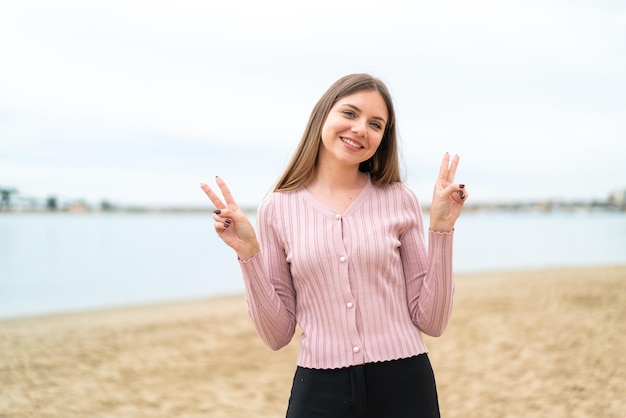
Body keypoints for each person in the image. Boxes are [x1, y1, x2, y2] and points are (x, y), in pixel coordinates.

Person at [200, 73, 468, 418]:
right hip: (318, 390)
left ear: (383, 139)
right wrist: (248, 254)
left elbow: (432, 320)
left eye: (376, 124)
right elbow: (276, 335)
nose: (360, 129)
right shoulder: (277, 209)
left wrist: (442, 230)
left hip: (405, 384)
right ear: (323, 115)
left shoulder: (399, 199)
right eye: (350, 113)